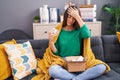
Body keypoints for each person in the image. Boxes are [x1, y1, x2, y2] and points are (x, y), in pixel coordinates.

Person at [48, 5, 110, 80]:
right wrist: (51, 42)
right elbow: (56, 52)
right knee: (52, 70)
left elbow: (87, 34)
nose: (71, 20)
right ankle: (81, 78)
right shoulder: (58, 30)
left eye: (74, 18)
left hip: (78, 61)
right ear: (65, 16)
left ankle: (74, 79)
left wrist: (77, 16)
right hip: (63, 62)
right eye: (69, 17)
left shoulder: (79, 30)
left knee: (101, 67)